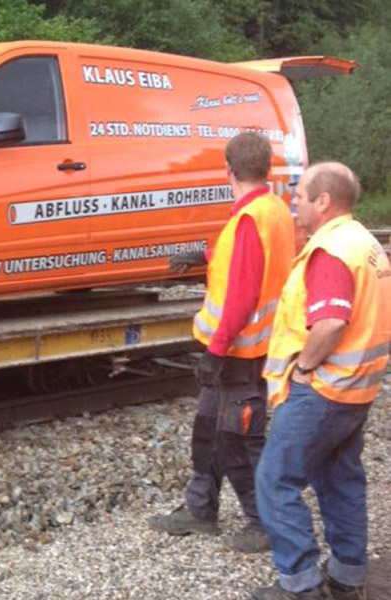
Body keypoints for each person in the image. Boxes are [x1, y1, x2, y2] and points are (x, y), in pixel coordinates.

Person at [149, 132, 295, 553]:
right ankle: (200, 510)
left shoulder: (251, 219)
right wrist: (205, 257)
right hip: (247, 349)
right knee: (208, 431)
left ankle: (263, 524)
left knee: (238, 440)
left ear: (228, 169)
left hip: (240, 353)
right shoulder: (273, 210)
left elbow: (242, 293)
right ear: (266, 169)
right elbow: (247, 263)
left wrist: (215, 352)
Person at [251, 162, 391, 600]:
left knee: (275, 481)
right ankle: (349, 577)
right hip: (357, 387)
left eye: (299, 196)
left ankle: (301, 584)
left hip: (325, 388)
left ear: (323, 201)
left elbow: (329, 322)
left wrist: (306, 367)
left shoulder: (330, 250)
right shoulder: (365, 242)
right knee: (340, 479)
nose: (293, 203)